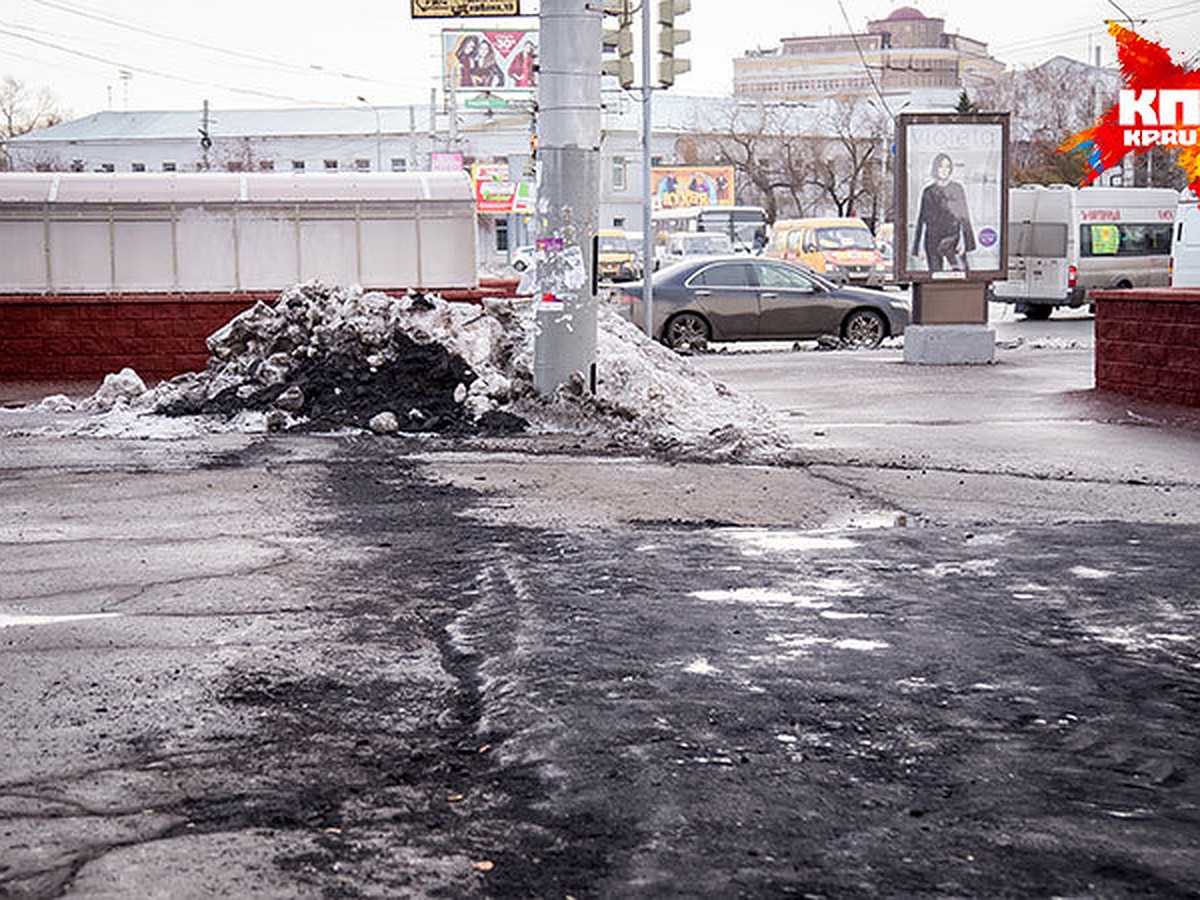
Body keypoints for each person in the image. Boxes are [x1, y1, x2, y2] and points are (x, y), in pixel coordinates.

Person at [912, 152, 975, 272]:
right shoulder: (928, 191)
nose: (944, 170)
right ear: (935, 168)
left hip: (952, 239)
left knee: (961, 274)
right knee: (935, 276)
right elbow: (921, 219)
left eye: (947, 166)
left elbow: (964, 216)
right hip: (932, 240)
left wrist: (965, 242)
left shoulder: (957, 189)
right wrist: (918, 247)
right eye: (941, 166)